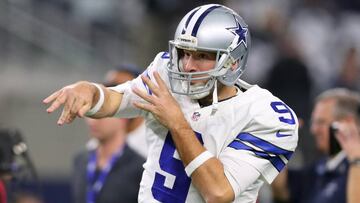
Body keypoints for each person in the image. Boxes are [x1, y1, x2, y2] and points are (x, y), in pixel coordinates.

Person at [44, 4, 298, 202]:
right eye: (185, 53)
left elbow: (218, 192)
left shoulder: (268, 116)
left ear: (233, 61)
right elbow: (118, 99)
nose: (187, 66)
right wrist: (90, 91)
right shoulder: (166, 71)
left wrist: (177, 123)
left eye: (202, 56)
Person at [272, 88, 360, 203]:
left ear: (347, 123)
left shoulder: (353, 166)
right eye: (313, 122)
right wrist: (280, 144)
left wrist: (356, 160)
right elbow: (282, 192)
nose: (313, 130)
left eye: (321, 122)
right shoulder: (320, 168)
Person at [72, 66, 146, 203]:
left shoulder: (141, 167)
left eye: (102, 114)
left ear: (123, 115)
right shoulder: (81, 161)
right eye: (91, 113)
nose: (93, 121)